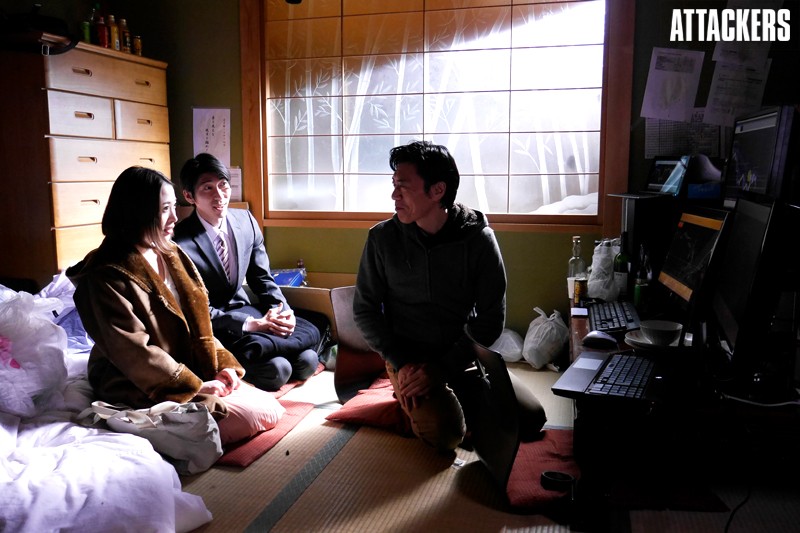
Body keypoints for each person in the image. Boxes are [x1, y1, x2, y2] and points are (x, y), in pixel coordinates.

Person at [353, 140, 547, 452]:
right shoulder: (382, 239)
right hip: (409, 360)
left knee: (531, 418)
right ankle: (418, 398)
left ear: (437, 190)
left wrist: (443, 368)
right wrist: (402, 363)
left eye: (403, 186)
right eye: (394, 185)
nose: (394, 195)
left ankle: (455, 396)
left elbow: (492, 318)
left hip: (461, 356)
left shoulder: (478, 239)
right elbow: (365, 310)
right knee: (447, 434)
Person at [67, 167, 246, 439]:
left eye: (174, 207)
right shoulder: (103, 275)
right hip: (135, 379)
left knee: (259, 406)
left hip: (183, 367)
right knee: (224, 415)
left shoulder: (170, 252)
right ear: (137, 211)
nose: (175, 217)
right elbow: (133, 352)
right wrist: (194, 386)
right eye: (165, 209)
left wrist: (222, 366)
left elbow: (200, 324)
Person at [173, 153, 320, 392]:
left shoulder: (245, 221)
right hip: (215, 326)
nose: (219, 195)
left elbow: (263, 279)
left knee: (308, 361)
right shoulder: (178, 242)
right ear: (189, 196)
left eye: (223, 185)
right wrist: (251, 324)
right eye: (208, 188)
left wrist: (283, 312)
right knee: (279, 369)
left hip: (249, 310)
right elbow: (193, 309)